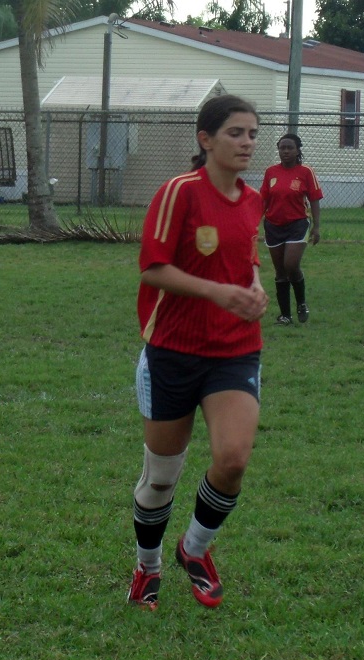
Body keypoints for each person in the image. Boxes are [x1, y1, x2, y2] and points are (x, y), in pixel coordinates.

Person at [128, 95, 268, 611]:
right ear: (205, 139)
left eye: (253, 133)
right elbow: (152, 269)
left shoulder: (252, 200)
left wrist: (253, 287)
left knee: (232, 460)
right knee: (161, 477)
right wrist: (216, 291)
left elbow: (246, 258)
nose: (247, 142)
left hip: (234, 349)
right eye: (236, 132)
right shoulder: (178, 193)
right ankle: (147, 568)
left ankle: (195, 549)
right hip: (173, 349)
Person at [260, 133, 323, 325]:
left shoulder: (305, 172)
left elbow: (314, 199)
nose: (285, 151)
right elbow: (263, 199)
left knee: (291, 265)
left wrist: (317, 227)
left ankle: (301, 302)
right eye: (282, 148)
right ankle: (285, 315)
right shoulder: (271, 172)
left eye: (290, 148)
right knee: (280, 271)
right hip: (273, 225)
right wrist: (254, 223)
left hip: (297, 224)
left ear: (297, 151)